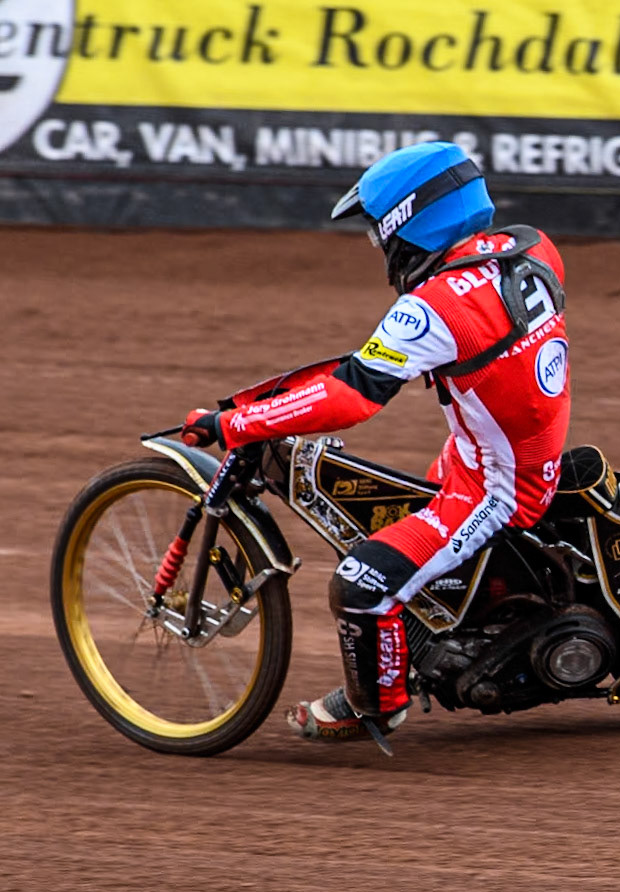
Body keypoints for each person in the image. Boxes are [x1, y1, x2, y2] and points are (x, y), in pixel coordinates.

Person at [179, 141, 571, 748]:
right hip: (497, 453)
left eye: (377, 234)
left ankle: (380, 706)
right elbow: (365, 368)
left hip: (496, 489)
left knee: (361, 583)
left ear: (406, 225)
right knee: (390, 511)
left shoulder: (435, 306)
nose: (379, 249)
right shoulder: (532, 249)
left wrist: (233, 425)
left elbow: (350, 399)